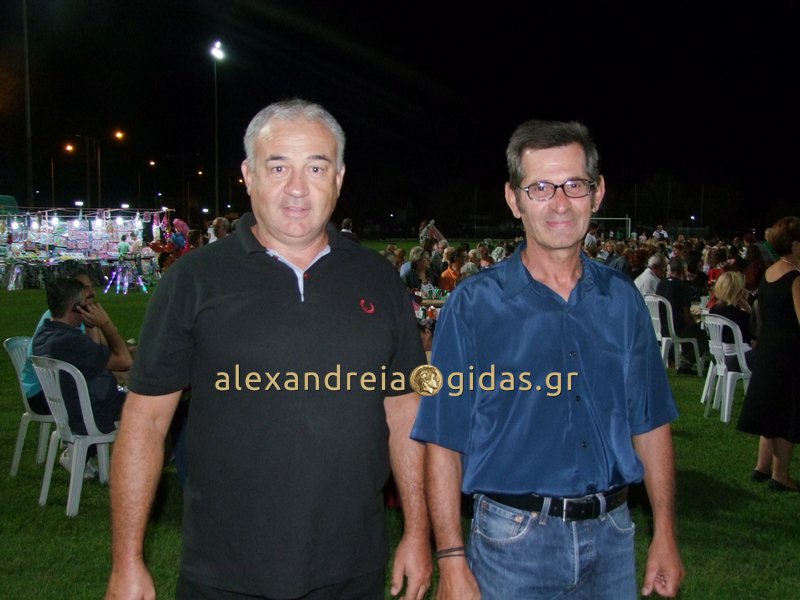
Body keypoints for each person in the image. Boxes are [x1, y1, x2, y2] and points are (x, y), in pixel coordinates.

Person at [106, 98, 431, 599]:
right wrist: (127, 560)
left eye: (316, 167)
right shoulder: (194, 280)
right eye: (278, 166)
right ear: (248, 175)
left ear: (339, 178)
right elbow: (145, 421)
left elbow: (405, 410)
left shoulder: (379, 279)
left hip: (352, 567)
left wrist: (417, 531)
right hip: (225, 572)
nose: (297, 187)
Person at [412, 119, 683, 598]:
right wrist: (451, 557)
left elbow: (650, 422)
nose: (559, 202)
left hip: (614, 538)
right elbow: (442, 439)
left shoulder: (623, 300)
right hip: (512, 546)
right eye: (540, 187)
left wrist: (665, 532)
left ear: (597, 193)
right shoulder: (472, 306)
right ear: (514, 199)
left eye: (574, 184)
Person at [32, 276, 132, 473]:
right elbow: (124, 361)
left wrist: (91, 325)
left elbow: (94, 355)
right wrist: (106, 324)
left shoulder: (44, 334)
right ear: (76, 307)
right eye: (86, 303)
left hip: (73, 410)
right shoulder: (71, 342)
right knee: (163, 402)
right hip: (93, 413)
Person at [737, 216, 800, 491]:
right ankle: (780, 475)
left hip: (768, 346)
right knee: (786, 414)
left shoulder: (770, 272)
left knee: (770, 409)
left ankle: (761, 467)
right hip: (788, 352)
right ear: (795, 245)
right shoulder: (795, 277)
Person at [656, 257, 709, 374]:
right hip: (678, 328)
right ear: (683, 271)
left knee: (692, 331)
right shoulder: (681, 286)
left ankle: (686, 361)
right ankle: (687, 362)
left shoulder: (661, 284)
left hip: (663, 327)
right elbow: (686, 315)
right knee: (703, 334)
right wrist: (694, 324)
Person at [709, 270, 756, 371]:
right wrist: (748, 309)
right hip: (738, 360)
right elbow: (752, 336)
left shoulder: (713, 310)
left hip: (718, 358)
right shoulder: (740, 315)